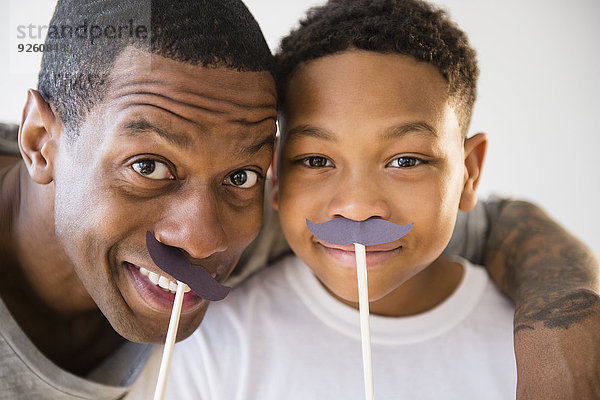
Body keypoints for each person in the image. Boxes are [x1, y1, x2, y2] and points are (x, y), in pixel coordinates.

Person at [0, 0, 597, 399]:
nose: (205, 238)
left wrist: (563, 338)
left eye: (242, 175)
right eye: (149, 166)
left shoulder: (291, 224)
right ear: (40, 143)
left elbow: (502, 224)